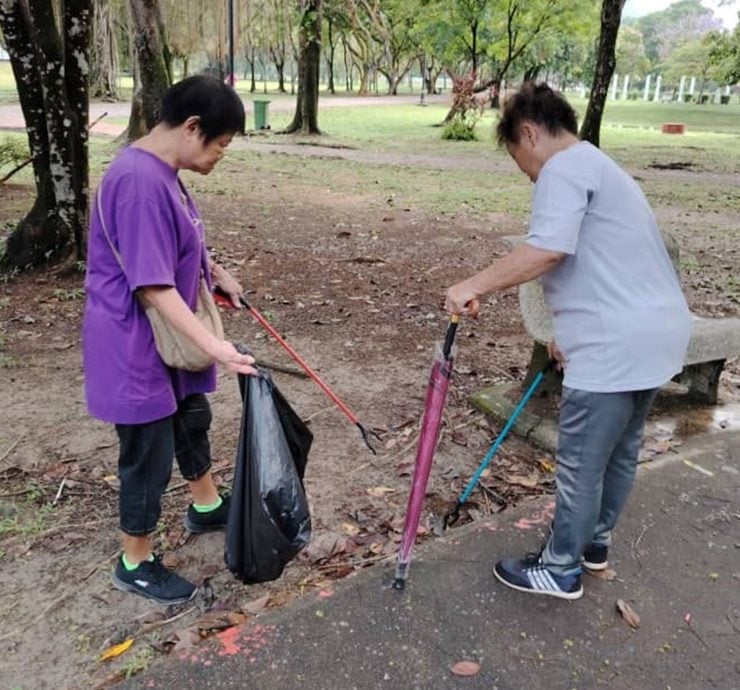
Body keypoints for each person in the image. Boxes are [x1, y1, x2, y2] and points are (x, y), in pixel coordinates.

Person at [445, 83, 692, 600]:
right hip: (656, 336)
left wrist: (474, 284)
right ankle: (594, 544)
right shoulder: (602, 166)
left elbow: (548, 249)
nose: (529, 175)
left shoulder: (562, 169)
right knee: (620, 452)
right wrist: (568, 332)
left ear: (529, 133)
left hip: (616, 345)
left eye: (522, 163)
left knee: (581, 461)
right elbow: (607, 263)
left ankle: (560, 569)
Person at [83, 75, 257, 605]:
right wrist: (216, 345)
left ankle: (205, 506)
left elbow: (176, 240)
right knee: (148, 453)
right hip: (136, 340)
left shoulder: (163, 171)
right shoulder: (138, 181)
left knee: (191, 418)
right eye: (221, 146)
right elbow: (154, 285)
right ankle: (134, 560)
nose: (220, 157)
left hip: (167, 340)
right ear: (192, 128)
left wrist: (215, 270)